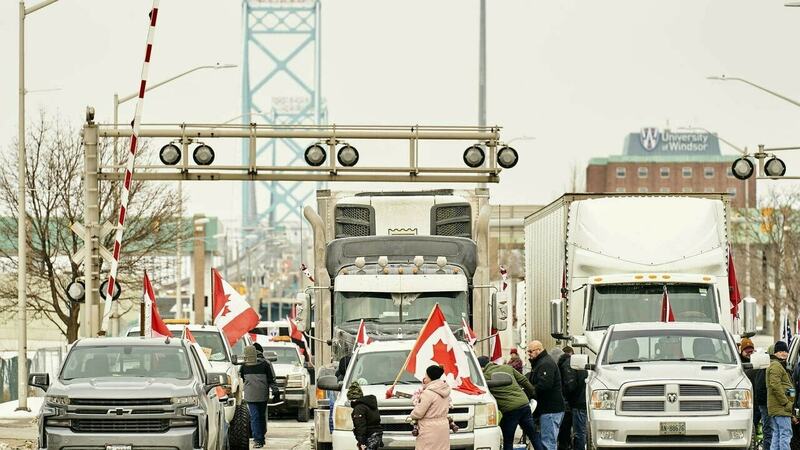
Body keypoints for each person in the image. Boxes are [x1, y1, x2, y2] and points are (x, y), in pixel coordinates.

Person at [479, 356, 537, 450]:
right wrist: (533, 393)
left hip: (510, 410)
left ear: (481, 367)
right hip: (524, 404)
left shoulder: (484, 377)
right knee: (533, 436)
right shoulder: (507, 368)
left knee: (508, 441)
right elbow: (524, 380)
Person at [527, 340, 566, 450]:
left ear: (538, 350)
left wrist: (530, 391)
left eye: (530, 351)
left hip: (550, 410)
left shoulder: (545, 364)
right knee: (547, 441)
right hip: (548, 410)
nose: (529, 354)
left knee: (548, 443)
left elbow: (544, 385)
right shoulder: (541, 362)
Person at [239, 345, 279, 448]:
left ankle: (259, 440)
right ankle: (259, 438)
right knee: (260, 416)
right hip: (262, 395)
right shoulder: (266, 364)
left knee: (255, 417)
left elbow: (242, 378)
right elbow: (272, 379)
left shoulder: (243, 366)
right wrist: (275, 391)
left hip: (250, 395)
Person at [409, 365, 452, 450]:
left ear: (430, 376)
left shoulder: (428, 393)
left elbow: (418, 413)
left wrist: (412, 415)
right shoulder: (445, 390)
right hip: (443, 426)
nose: (424, 377)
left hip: (429, 429)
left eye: (426, 375)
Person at [768, 340, 795, 450]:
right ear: (775, 353)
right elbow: (775, 386)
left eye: (785, 351)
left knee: (777, 434)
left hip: (777, 407)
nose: (784, 353)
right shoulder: (776, 366)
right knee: (785, 434)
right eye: (780, 351)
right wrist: (786, 403)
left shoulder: (778, 365)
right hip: (781, 407)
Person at [560, 346, 588, 450]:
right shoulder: (578, 363)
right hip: (583, 400)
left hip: (577, 403)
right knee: (581, 432)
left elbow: (570, 386)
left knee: (578, 433)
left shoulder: (567, 365)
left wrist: (564, 395)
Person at [347, 381, 383, 450]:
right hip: (377, 436)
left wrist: (361, 442)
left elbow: (360, 426)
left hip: (368, 437)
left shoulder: (359, 408)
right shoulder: (369, 404)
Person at [756, 345, 774, 450]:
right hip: (766, 403)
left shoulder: (765, 367)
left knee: (769, 430)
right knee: (769, 430)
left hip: (766, 403)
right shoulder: (766, 368)